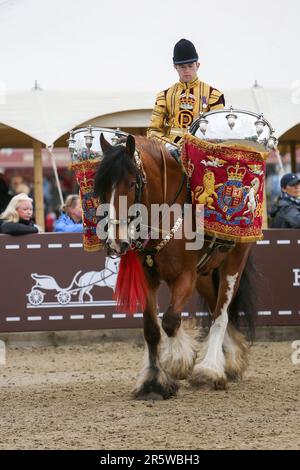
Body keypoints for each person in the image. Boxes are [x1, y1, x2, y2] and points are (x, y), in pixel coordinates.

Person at [147, 38, 225, 148]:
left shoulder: (213, 95)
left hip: (202, 153)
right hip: (171, 156)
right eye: (182, 66)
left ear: (198, 65)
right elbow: (153, 131)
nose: (187, 70)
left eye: (190, 66)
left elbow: (219, 130)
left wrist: (198, 145)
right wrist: (169, 146)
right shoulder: (164, 96)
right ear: (175, 67)